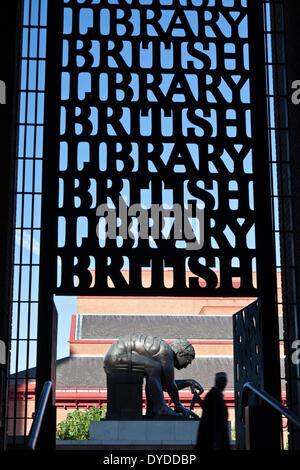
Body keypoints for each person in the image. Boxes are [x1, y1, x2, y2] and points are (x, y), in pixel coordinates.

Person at [104, 333, 203, 418]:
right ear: (181, 353)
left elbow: (162, 385)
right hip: (116, 358)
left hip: (116, 357)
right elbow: (169, 385)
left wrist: (189, 382)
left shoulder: (163, 350)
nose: (186, 365)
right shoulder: (166, 351)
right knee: (154, 368)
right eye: (188, 360)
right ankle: (160, 409)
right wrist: (178, 405)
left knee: (154, 372)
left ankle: (152, 410)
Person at [197, 372, 230, 450]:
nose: (224, 383)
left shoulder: (213, 395)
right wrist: (215, 440)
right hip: (214, 439)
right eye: (223, 381)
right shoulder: (214, 396)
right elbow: (212, 419)